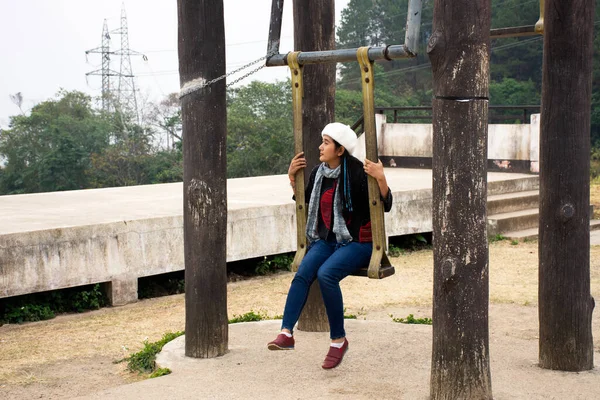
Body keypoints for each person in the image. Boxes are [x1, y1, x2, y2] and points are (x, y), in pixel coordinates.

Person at [267, 122, 393, 369]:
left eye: (326, 142)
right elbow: (302, 200)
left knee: (326, 275)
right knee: (303, 273)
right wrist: (292, 177)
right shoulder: (319, 172)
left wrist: (381, 178)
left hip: (358, 242)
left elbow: (385, 204)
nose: (320, 146)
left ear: (340, 150)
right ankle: (286, 334)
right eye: (322, 140)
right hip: (327, 239)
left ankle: (338, 340)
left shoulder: (359, 172)